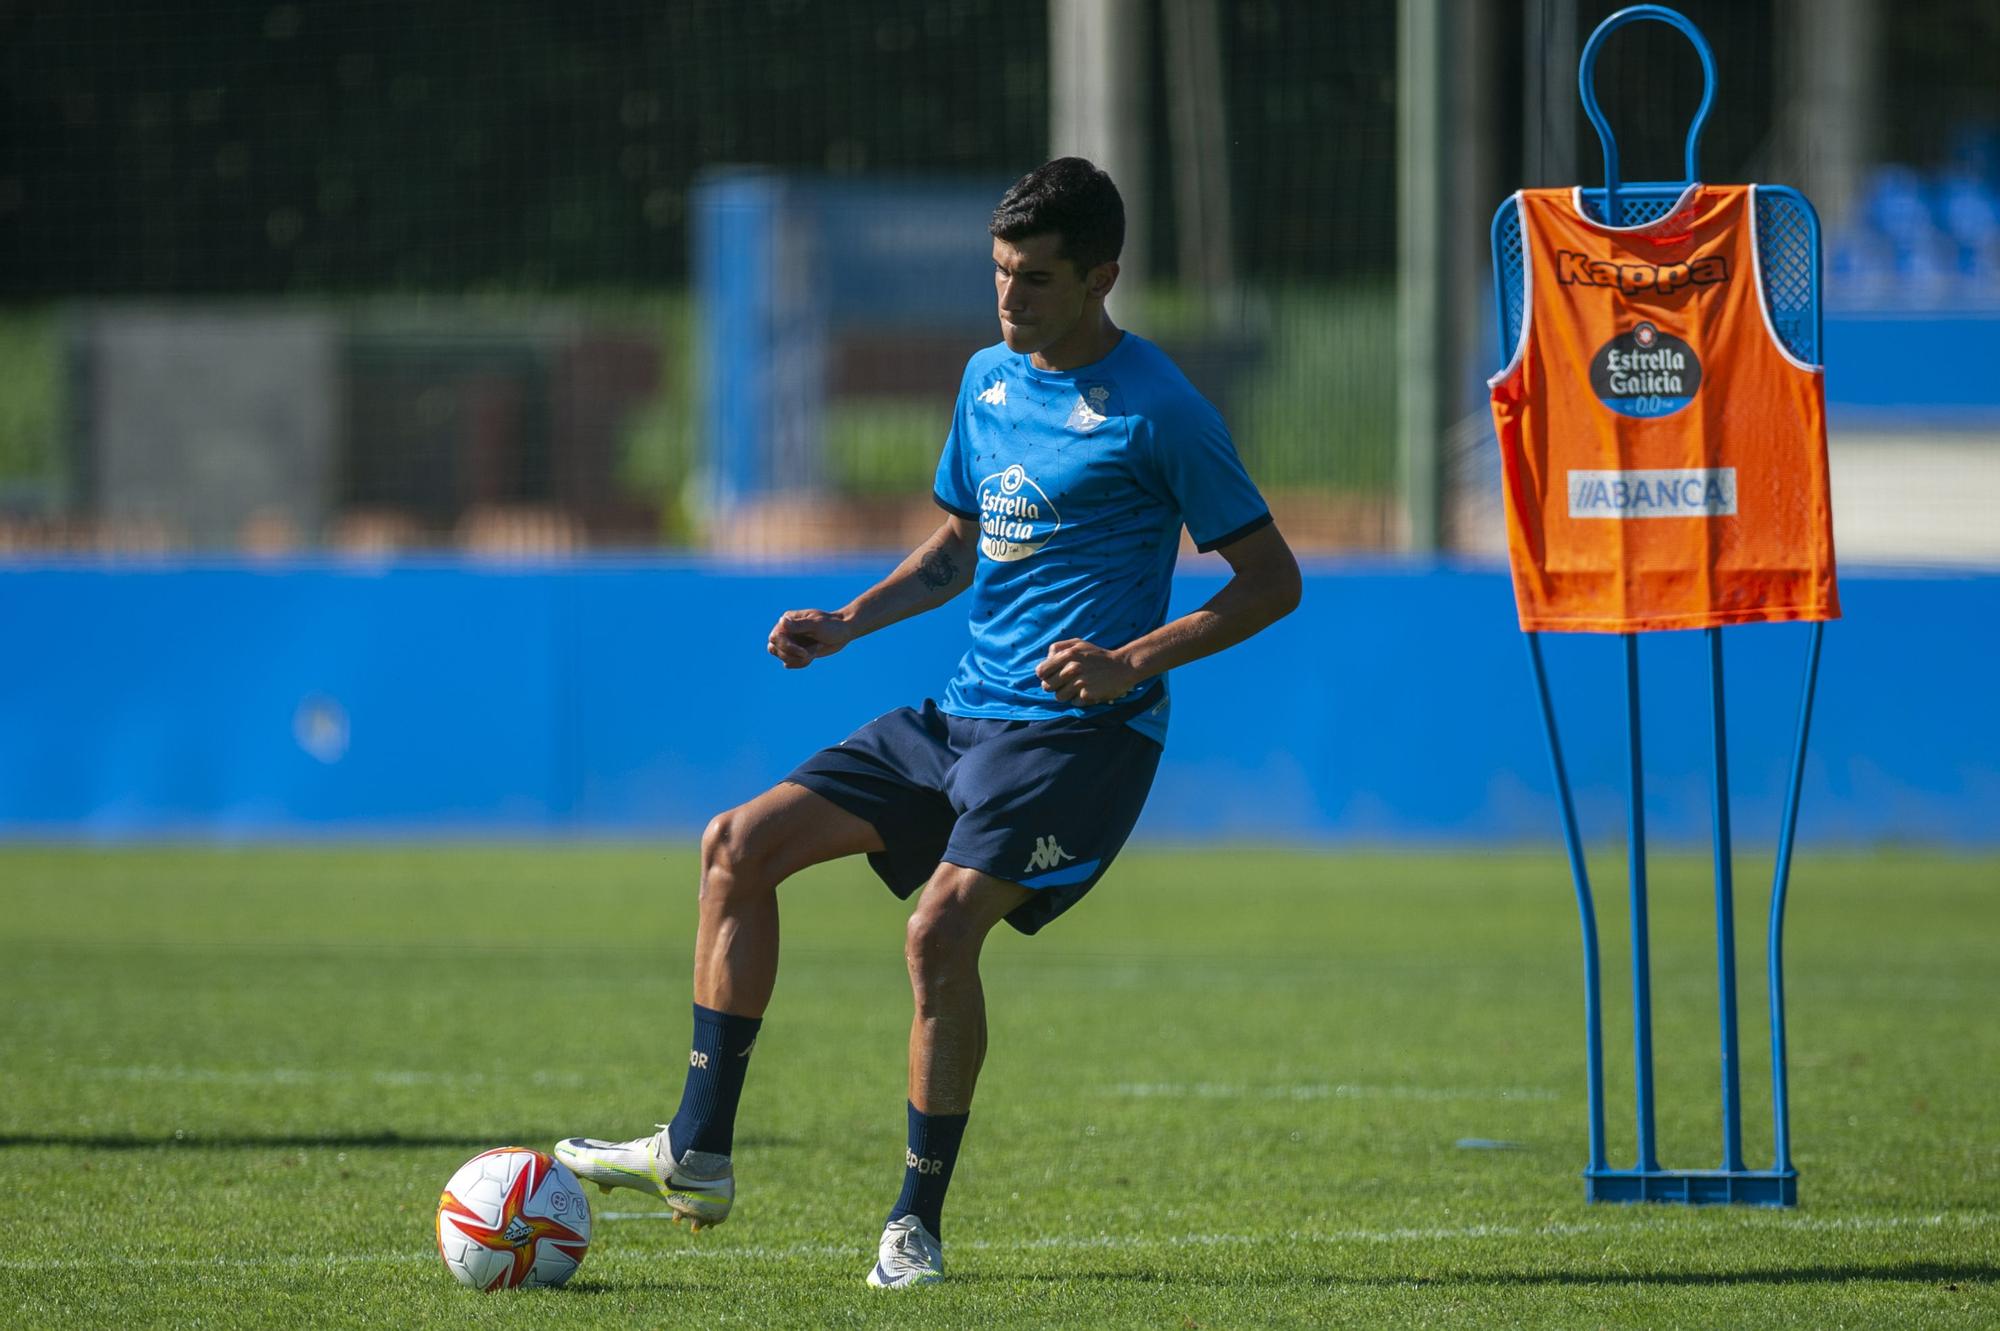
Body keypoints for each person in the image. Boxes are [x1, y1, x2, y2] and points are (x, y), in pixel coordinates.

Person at [556, 156, 1300, 1289]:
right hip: (958, 716)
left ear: (1100, 277)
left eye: (1036, 278)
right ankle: (695, 1151)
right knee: (734, 846)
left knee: (937, 930)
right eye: (999, 271)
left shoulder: (1162, 410)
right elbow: (958, 548)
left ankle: (915, 1222)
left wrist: (1129, 662)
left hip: (1077, 736)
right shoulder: (986, 380)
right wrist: (848, 622)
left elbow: (1270, 580)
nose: (1009, 297)